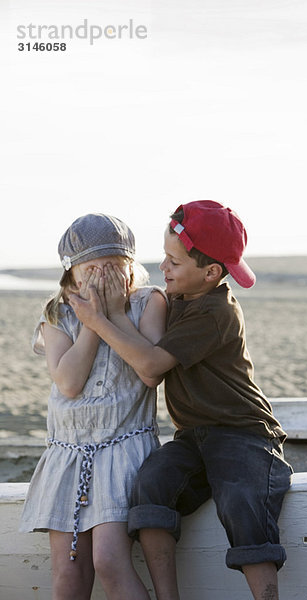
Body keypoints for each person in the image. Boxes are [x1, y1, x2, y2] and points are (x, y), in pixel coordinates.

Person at [69, 201, 292, 600]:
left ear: (210, 273)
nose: (163, 268)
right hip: (192, 436)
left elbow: (152, 364)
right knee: (151, 484)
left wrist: (98, 320)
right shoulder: (175, 300)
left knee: (242, 500)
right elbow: (137, 329)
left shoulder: (216, 311)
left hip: (243, 433)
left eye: (174, 261)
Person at [20, 213, 167, 600]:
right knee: (68, 573)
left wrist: (110, 316)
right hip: (68, 452)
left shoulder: (147, 303)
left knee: (109, 560)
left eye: (113, 266)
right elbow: (68, 383)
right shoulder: (57, 313)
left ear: (131, 269)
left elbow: (150, 372)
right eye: (92, 268)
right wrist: (90, 321)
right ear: (71, 275)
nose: (102, 276)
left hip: (123, 447)